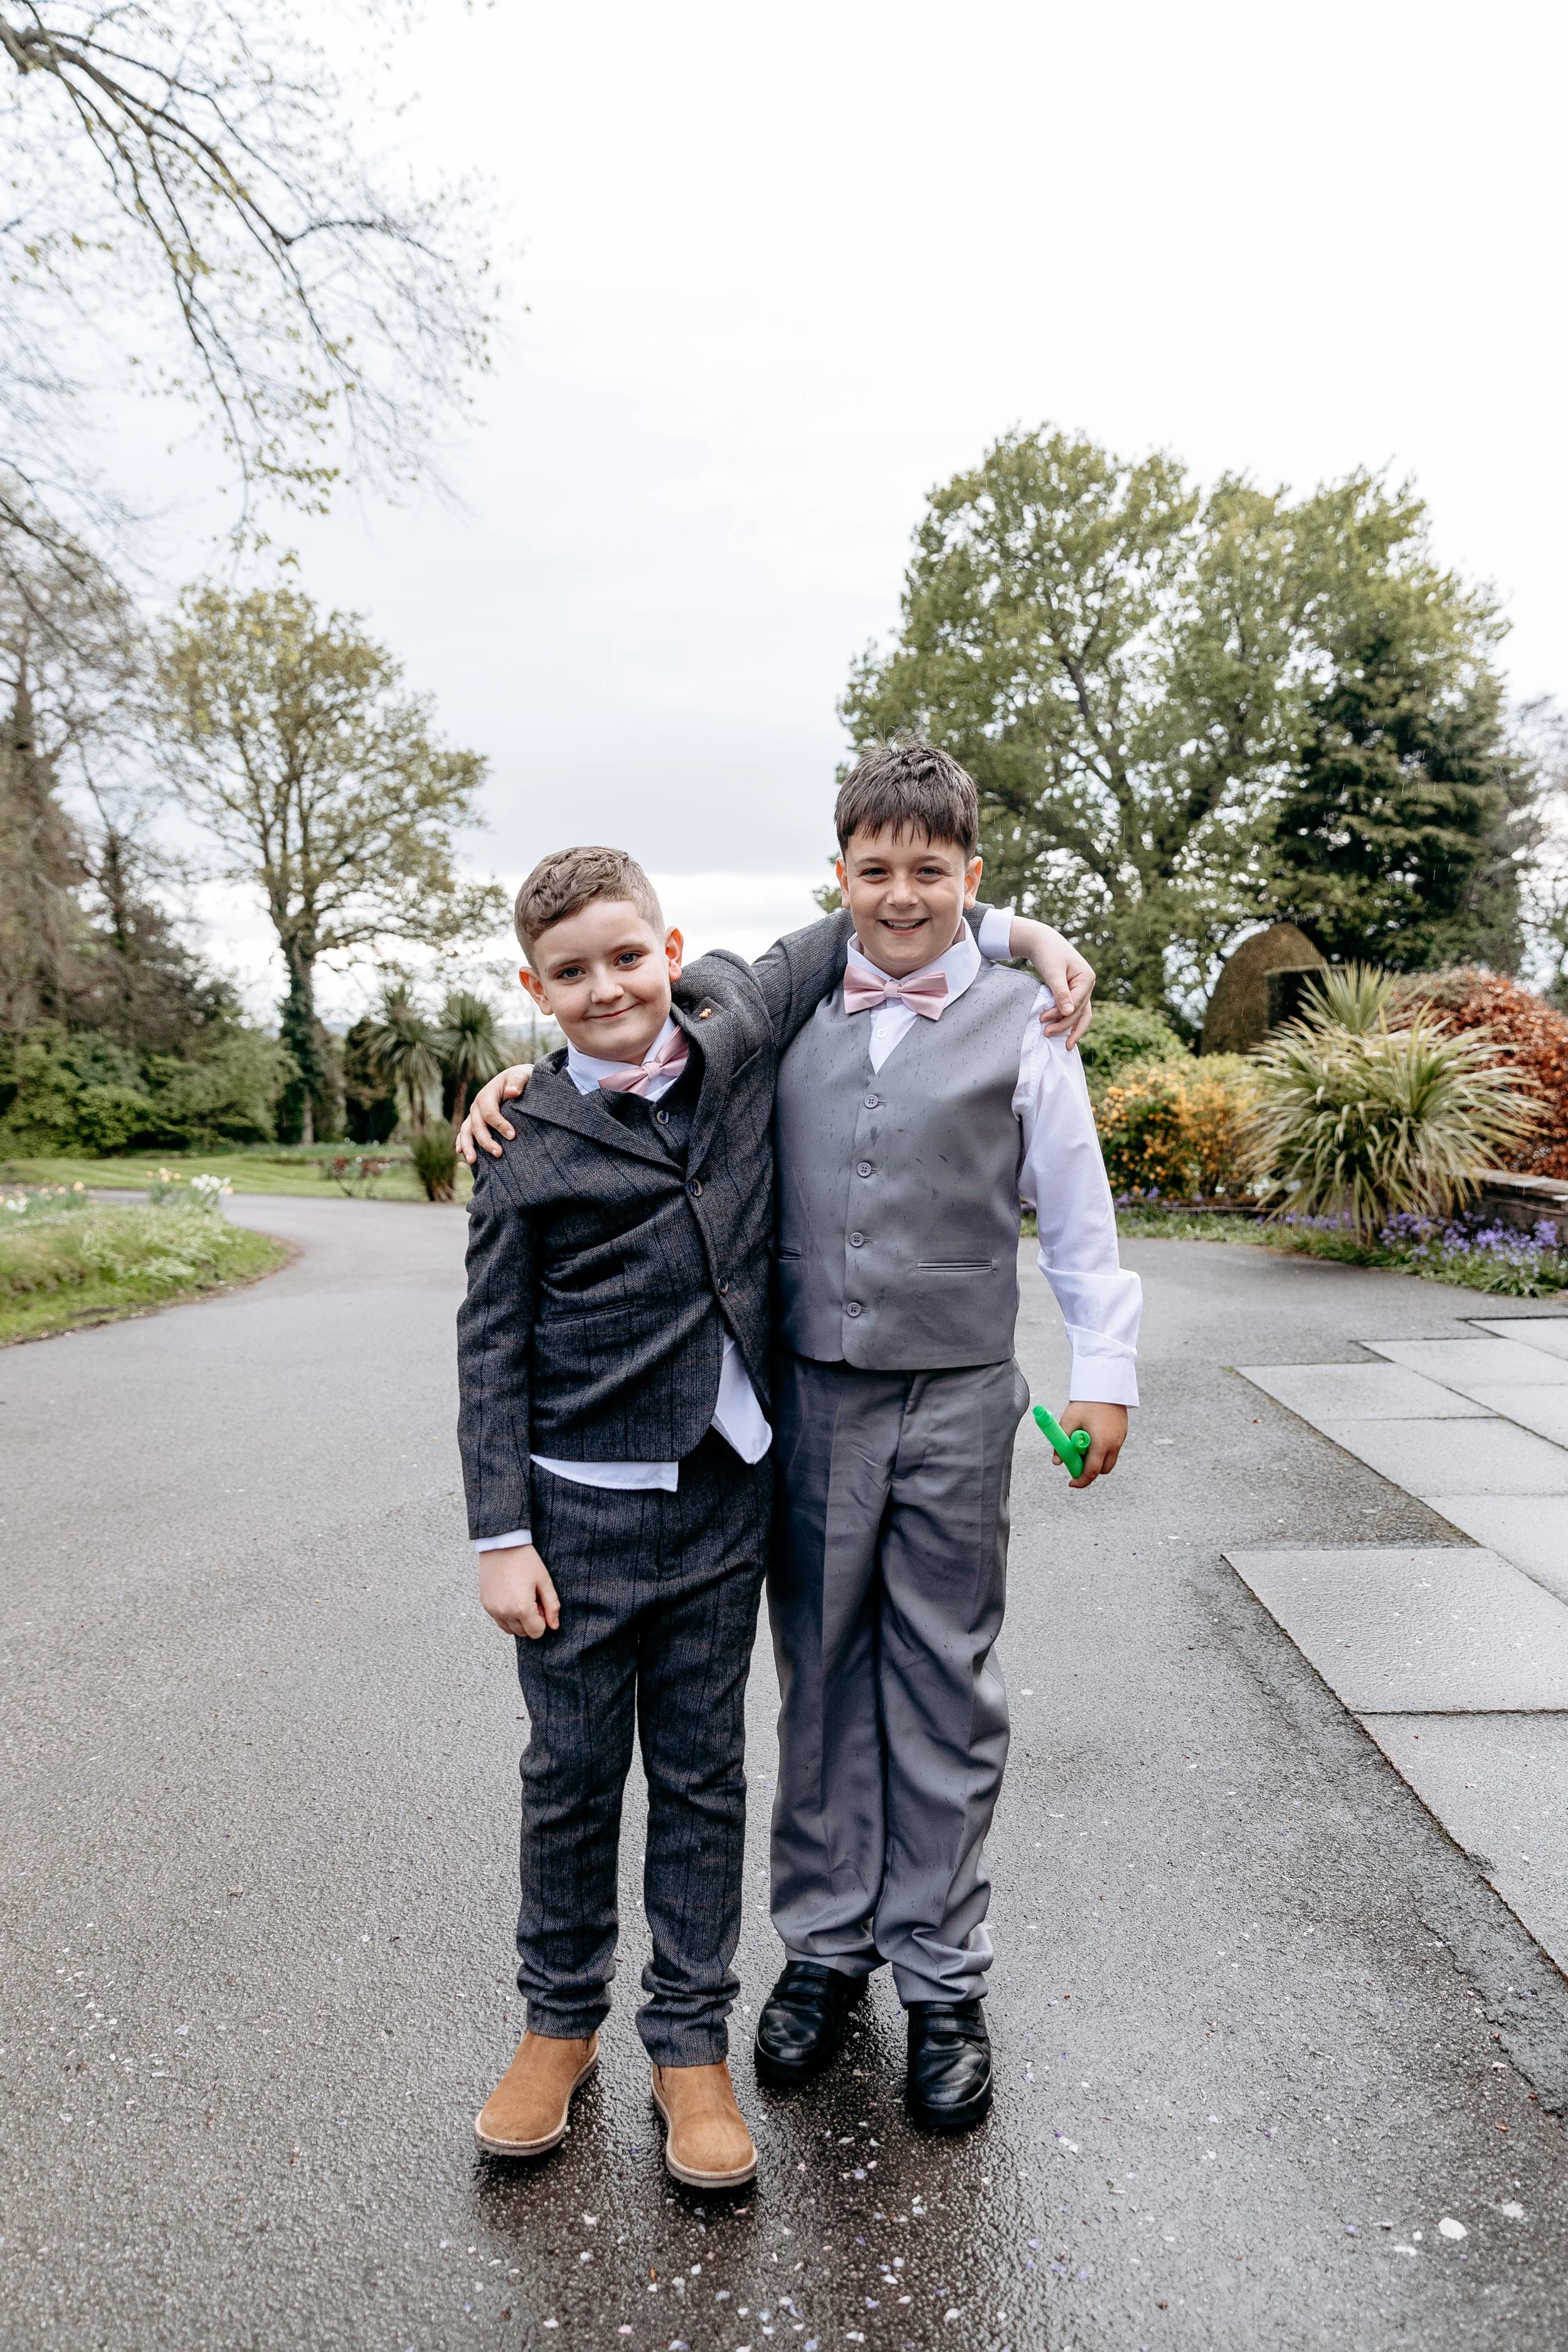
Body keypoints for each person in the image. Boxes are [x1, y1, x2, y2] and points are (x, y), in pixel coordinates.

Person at [457, 840, 1090, 2188]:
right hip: (574, 1521)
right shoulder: (520, 1138)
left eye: (628, 957)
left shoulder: (740, 1028)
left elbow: (882, 911)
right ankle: (555, 2027)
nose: (606, 986)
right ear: (534, 988)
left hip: (723, 1504)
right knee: (567, 1782)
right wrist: (496, 1533)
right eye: (569, 973)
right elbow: (487, 1348)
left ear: (673, 956)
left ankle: (689, 2047)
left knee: (701, 1779)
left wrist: (1027, 935)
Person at [753, 738, 1141, 2134]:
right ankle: (822, 1948)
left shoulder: (1023, 1025)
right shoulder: (789, 1005)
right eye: (874, 869)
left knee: (943, 1683)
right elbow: (644, 1027)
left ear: (969, 880)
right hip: (810, 1399)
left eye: (930, 871)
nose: (899, 894)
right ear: (840, 876)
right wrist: (518, 1078)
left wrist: (1103, 1374)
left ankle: (940, 1975)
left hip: (955, 1402)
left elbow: (1077, 1219)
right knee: (817, 1676)